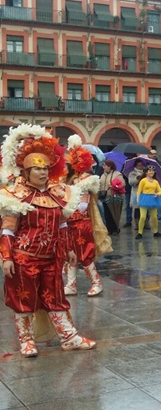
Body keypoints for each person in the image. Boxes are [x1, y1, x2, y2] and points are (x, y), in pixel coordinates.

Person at [0, 124, 96, 357]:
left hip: (52, 257)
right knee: (24, 300)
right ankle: (26, 340)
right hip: (24, 259)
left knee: (56, 298)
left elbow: (62, 224)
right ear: (26, 171)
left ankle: (69, 337)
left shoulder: (58, 193)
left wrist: (69, 249)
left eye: (45, 169)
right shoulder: (16, 195)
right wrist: (7, 257)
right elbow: (8, 230)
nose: (42, 173)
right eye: (36, 169)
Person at [63, 135, 112, 297]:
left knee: (85, 254)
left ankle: (96, 283)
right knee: (71, 255)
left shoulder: (85, 180)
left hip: (80, 223)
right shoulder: (71, 179)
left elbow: (83, 205)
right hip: (70, 223)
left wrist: (65, 212)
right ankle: (71, 285)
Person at [136, 166, 161, 239]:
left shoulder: (155, 181)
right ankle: (140, 232)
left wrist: (158, 194)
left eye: (153, 171)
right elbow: (139, 191)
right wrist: (138, 200)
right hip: (144, 198)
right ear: (146, 172)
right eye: (150, 170)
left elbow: (160, 191)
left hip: (153, 198)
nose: (151, 172)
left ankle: (155, 231)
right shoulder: (143, 181)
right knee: (143, 216)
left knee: (154, 217)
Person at [99, 160, 124, 235]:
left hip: (115, 197)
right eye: (103, 166)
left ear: (110, 166)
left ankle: (116, 229)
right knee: (107, 214)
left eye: (105, 166)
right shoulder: (102, 175)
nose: (104, 167)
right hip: (105, 197)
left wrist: (113, 186)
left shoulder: (117, 174)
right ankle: (109, 229)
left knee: (115, 213)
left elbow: (122, 183)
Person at [128, 158, 145, 227]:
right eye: (139, 165)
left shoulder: (146, 172)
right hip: (136, 193)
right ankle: (137, 224)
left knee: (145, 208)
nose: (140, 167)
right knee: (137, 209)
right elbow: (131, 183)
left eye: (141, 165)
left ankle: (145, 223)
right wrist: (137, 179)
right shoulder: (132, 173)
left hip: (145, 193)